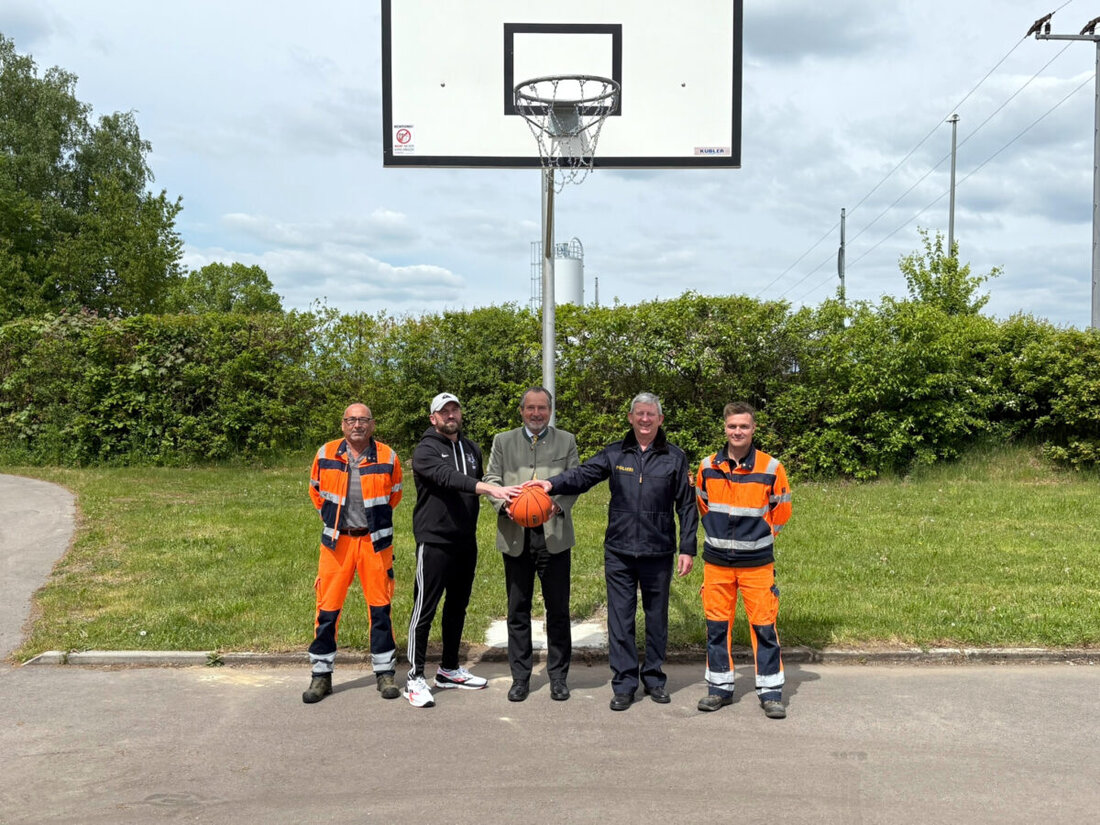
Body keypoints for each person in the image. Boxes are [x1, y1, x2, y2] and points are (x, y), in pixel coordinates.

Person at [529, 392, 697, 711]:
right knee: (620, 621)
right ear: (631, 418)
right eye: (639, 414)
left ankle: (654, 679)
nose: (644, 419)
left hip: (658, 551)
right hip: (619, 551)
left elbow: (687, 506)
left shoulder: (675, 457)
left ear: (660, 419)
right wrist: (551, 484)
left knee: (656, 619)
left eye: (650, 414)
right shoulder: (615, 452)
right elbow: (583, 475)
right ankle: (624, 684)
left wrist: (687, 548)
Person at [404, 392, 520, 708]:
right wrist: (487, 487)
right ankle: (414, 678)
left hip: (465, 541)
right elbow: (449, 478)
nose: (451, 415)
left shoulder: (471, 449)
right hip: (434, 540)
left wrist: (505, 503)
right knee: (424, 610)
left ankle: (449, 669)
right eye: (444, 411)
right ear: (433, 418)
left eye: (455, 409)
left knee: (457, 607)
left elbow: (476, 481)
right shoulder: (426, 450)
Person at [694, 401, 792, 719]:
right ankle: (719, 689)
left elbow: (782, 510)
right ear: (725, 428)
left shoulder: (771, 467)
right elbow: (703, 505)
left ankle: (771, 693)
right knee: (716, 627)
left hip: (757, 564)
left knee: (764, 627)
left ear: (753, 429)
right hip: (717, 563)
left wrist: (759, 539)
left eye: (744, 426)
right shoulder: (707, 466)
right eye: (733, 426)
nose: (738, 431)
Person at [484, 387, 580, 702]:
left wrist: (557, 504)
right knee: (518, 609)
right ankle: (520, 678)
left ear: (549, 411)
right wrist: (505, 505)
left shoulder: (566, 440)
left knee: (558, 610)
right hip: (515, 534)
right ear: (522, 411)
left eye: (542, 408)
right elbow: (492, 479)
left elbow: (575, 480)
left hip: (553, 535)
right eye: (531, 408)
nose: (536, 413)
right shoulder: (503, 441)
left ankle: (558, 677)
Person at [303, 403, 403, 704]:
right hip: (337, 543)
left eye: (363, 420)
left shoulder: (388, 456)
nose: (357, 425)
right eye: (351, 420)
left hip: (375, 543)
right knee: (327, 609)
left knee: (380, 608)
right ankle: (321, 676)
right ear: (343, 424)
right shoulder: (326, 453)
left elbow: (395, 494)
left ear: (372, 425)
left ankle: (385, 673)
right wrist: (332, 520)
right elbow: (316, 491)